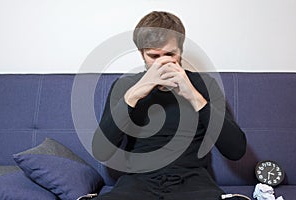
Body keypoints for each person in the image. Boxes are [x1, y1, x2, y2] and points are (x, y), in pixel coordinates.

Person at [92, 11, 247, 200]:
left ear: (181, 51)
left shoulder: (204, 85)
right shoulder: (125, 86)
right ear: (142, 54)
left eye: (170, 54)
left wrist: (193, 96)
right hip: (137, 183)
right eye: (153, 56)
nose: (162, 63)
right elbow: (101, 151)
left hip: (193, 182)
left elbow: (236, 150)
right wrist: (134, 95)